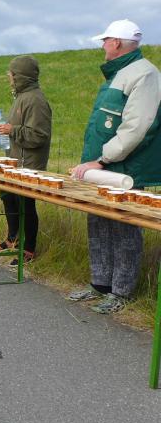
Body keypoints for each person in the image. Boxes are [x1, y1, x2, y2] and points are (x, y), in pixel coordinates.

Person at [68, 19, 161, 314]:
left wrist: (102, 158)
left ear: (116, 43)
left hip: (126, 170)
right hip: (103, 167)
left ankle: (121, 292)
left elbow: (138, 127)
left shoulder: (145, 74)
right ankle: (100, 285)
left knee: (124, 228)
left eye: (105, 41)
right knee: (98, 223)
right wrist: (95, 162)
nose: (103, 46)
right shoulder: (119, 73)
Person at [0, 55, 52, 266]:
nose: (9, 76)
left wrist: (12, 130)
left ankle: (29, 249)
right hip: (16, 161)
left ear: (21, 76)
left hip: (29, 164)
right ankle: (13, 239)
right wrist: (9, 130)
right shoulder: (22, 97)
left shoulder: (35, 100)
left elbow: (39, 136)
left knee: (25, 205)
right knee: (8, 196)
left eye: (12, 73)